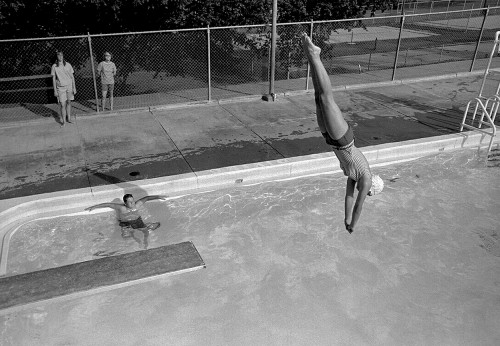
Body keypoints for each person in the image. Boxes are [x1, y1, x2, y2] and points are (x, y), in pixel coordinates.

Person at [301, 33, 384, 234]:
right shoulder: (366, 179)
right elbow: (358, 205)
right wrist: (353, 225)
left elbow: (348, 197)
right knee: (326, 98)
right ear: (372, 188)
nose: (364, 193)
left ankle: (312, 58)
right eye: (368, 194)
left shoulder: (354, 177)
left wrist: (345, 219)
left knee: (318, 98)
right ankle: (316, 55)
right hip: (344, 139)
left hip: (331, 140)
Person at [85, 194, 167, 248]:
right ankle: (136, 239)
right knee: (125, 237)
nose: (133, 203)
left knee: (146, 231)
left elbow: (147, 198)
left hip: (137, 221)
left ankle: (145, 241)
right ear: (125, 203)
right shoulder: (122, 208)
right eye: (130, 202)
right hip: (126, 224)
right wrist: (93, 207)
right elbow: (108, 204)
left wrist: (159, 197)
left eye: (133, 201)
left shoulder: (137, 205)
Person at [51, 51, 76, 126]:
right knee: (62, 104)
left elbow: (72, 77)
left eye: (61, 55)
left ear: (63, 56)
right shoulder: (54, 66)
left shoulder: (68, 65)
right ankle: (64, 122)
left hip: (69, 86)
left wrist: (74, 88)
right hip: (60, 88)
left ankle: (69, 118)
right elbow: (53, 78)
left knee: (69, 102)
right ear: (57, 57)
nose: (60, 57)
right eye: (58, 55)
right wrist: (55, 90)